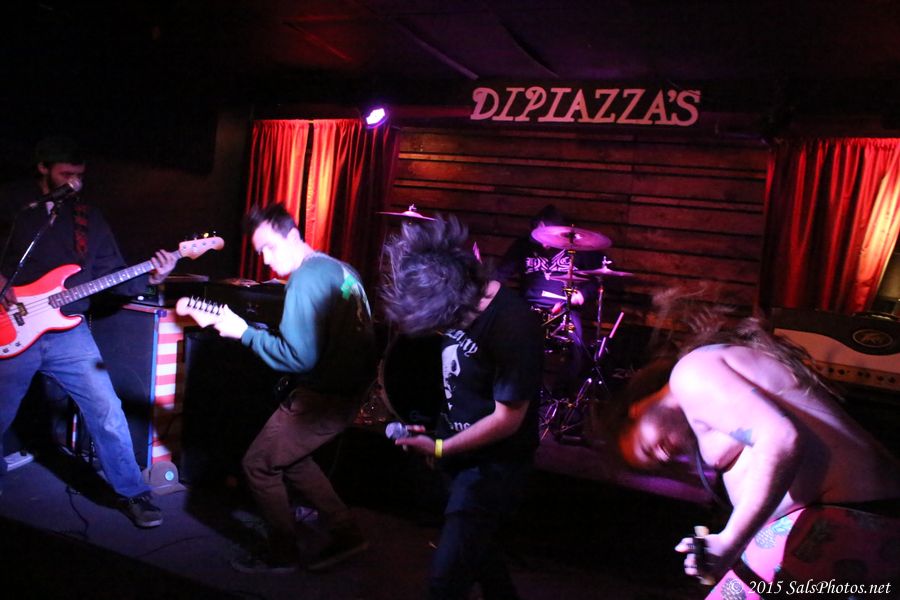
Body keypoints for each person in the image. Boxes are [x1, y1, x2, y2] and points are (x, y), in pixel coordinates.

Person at [616, 305, 900, 599]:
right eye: (659, 464)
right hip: (862, 521)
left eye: (647, 448)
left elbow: (780, 438)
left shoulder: (690, 374)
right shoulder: (706, 393)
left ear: (635, 410)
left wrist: (730, 541)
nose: (664, 456)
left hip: (846, 518)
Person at [0, 136, 178, 526]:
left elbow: (113, 275)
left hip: (69, 332)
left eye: (80, 176)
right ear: (43, 168)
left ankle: (133, 492)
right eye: (67, 174)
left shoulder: (89, 218)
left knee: (106, 409)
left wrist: (152, 276)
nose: (75, 183)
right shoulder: (14, 203)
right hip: (11, 327)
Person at [208, 203, 377, 574]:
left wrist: (244, 333)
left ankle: (283, 551)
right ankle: (346, 531)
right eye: (260, 253)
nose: (267, 260)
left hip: (322, 397)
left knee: (258, 465)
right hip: (349, 393)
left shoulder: (305, 278)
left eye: (270, 247)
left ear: (293, 235)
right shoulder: (339, 269)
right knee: (292, 459)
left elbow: (298, 358)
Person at [380, 215, 543, 599]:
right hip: (457, 452)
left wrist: (442, 448)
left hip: (494, 467)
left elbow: (508, 419)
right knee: (481, 556)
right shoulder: (458, 302)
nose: (443, 329)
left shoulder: (513, 324)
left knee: (446, 580)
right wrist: (434, 432)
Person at [495, 204, 603, 397]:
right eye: (538, 235)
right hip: (528, 308)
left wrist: (581, 295)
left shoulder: (578, 249)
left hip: (564, 309)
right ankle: (515, 393)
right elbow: (500, 274)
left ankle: (559, 398)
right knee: (508, 343)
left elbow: (599, 278)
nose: (542, 241)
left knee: (578, 349)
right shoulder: (523, 246)